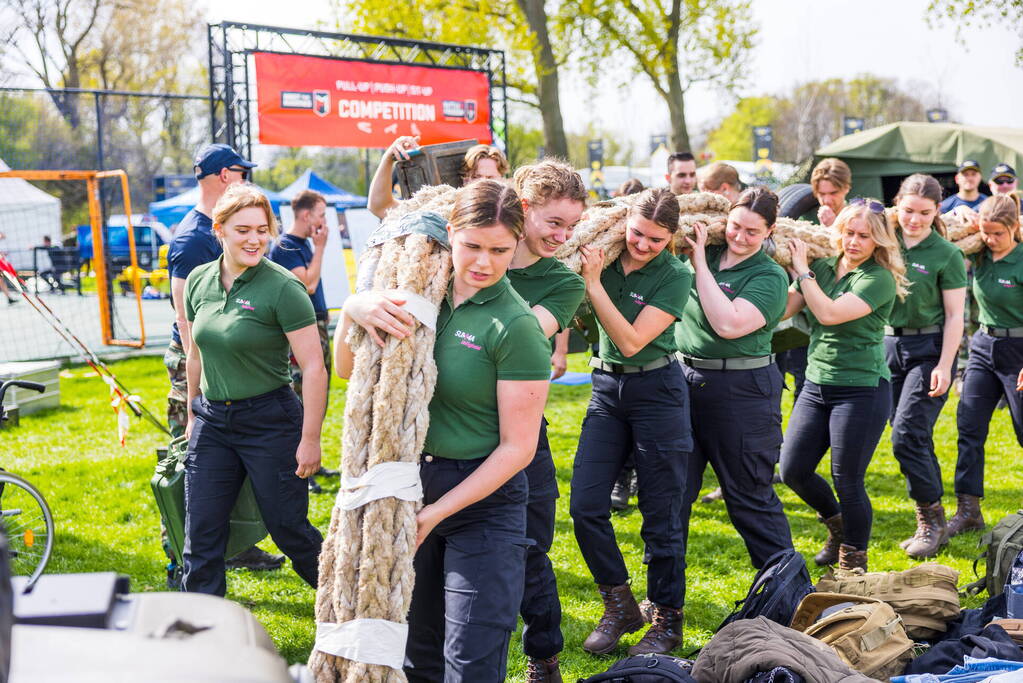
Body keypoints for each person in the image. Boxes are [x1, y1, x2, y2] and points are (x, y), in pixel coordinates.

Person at [336, 180, 552, 683]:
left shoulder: (516, 326)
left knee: (471, 662)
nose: (483, 262)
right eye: (472, 245)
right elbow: (347, 369)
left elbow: (518, 449)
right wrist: (353, 308)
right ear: (450, 233)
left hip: (482, 501)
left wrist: (435, 514)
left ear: (517, 246)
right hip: (410, 486)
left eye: (499, 250)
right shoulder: (415, 297)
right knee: (418, 657)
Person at [181, 183, 326, 596]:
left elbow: (314, 368)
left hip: (270, 420)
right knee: (201, 532)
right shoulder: (198, 281)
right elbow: (195, 355)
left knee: (288, 529)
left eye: (262, 230)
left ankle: (348, 609)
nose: (254, 240)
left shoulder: (283, 287)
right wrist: (192, 414)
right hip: (213, 421)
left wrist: (310, 439)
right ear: (220, 230)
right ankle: (202, 622)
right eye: (243, 230)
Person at [569, 187, 694, 656]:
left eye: (656, 240)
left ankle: (667, 620)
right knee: (585, 506)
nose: (643, 245)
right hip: (606, 390)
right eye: (637, 233)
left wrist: (594, 284)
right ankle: (619, 604)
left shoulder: (675, 275)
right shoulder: (602, 252)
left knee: (661, 515)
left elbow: (631, 342)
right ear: (626, 223)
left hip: (657, 391)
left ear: (670, 238)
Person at [164, 143, 283, 573]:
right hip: (199, 361)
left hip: (232, 357)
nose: (246, 179)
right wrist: (197, 388)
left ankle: (238, 544)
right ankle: (180, 558)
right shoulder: (193, 238)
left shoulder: (227, 229)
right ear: (224, 176)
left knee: (230, 467)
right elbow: (185, 320)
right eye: (241, 172)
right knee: (191, 467)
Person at [779, 198, 908, 571]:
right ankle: (838, 526)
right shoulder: (822, 266)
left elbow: (829, 313)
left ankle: (853, 561)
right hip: (817, 382)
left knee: (847, 479)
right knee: (793, 470)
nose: (853, 242)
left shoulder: (879, 278)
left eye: (863, 236)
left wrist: (801, 270)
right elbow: (784, 309)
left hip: (861, 389)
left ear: (878, 241)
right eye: (849, 233)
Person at [676, 187, 794, 573]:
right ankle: (663, 596)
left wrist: (698, 264)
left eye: (752, 232)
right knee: (673, 493)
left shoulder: (769, 275)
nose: (740, 237)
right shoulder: (706, 250)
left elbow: (728, 324)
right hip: (684, 380)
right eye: (735, 226)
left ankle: (786, 591)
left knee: (748, 496)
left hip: (741, 389)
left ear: (770, 231)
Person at [507, 160, 588, 682]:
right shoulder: (470, 255)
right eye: (554, 222)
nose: (562, 237)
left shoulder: (561, 281)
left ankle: (544, 657)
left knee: (530, 548)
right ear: (523, 209)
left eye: (571, 226)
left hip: (522, 430)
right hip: (452, 429)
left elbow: (519, 334)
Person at [885, 174, 967, 558]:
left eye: (924, 213)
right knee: (912, 436)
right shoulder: (884, 242)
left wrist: (945, 365)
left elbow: (955, 316)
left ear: (937, 211)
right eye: (908, 211)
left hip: (929, 349)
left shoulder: (946, 254)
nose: (914, 220)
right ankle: (936, 518)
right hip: (887, 346)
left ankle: (930, 523)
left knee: (906, 435)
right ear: (897, 205)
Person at [950, 193, 1023, 538]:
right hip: (983, 345)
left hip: (1019, 350)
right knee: (969, 426)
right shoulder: (978, 252)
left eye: (998, 234)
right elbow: (943, 237)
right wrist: (965, 216)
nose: (991, 239)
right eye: (986, 232)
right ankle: (968, 510)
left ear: (1015, 227)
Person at [268, 190, 332, 403]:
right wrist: (320, 248)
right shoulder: (285, 246)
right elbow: (308, 285)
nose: (324, 222)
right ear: (306, 215)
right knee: (304, 393)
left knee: (321, 391)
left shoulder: (304, 243)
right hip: (302, 328)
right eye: (321, 215)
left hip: (317, 324)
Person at [367, 135, 509, 219]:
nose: (484, 182)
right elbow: (380, 207)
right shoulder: (445, 208)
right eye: (476, 177)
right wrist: (388, 159)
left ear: (502, 179)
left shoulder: (512, 209)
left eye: (490, 177)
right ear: (465, 179)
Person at [811, 158, 852, 228]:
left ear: (846, 188)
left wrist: (832, 226)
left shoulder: (856, 218)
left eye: (833, 193)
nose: (827, 200)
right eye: (822, 194)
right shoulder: (805, 216)